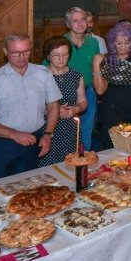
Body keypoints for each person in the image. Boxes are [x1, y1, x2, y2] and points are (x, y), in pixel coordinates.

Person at [0, 33, 61, 177]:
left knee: (30, 187)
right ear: (5, 52)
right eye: (16, 53)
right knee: (1, 189)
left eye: (26, 51)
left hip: (35, 140)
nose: (22, 57)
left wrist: (48, 134)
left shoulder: (43, 74)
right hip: (3, 143)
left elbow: (53, 105)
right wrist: (14, 134)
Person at [91, 22, 131, 151]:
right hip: (112, 113)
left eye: (127, 43)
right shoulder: (106, 60)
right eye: (119, 43)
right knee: (112, 152)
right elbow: (100, 90)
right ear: (112, 43)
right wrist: (96, 65)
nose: (123, 47)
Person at [40, 36, 87, 166]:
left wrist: (75, 109)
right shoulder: (40, 76)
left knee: (71, 164)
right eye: (56, 55)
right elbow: (30, 106)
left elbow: (83, 102)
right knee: (47, 167)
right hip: (47, 129)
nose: (61, 59)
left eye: (64, 54)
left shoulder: (76, 75)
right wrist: (51, 111)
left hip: (70, 129)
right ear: (48, 56)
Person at [63, 7, 106, 150]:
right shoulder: (60, 43)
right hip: (65, 94)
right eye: (75, 21)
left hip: (88, 92)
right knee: (67, 135)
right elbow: (47, 71)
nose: (80, 24)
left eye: (83, 20)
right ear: (68, 24)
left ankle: (83, 164)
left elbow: (96, 68)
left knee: (86, 133)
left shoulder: (93, 43)